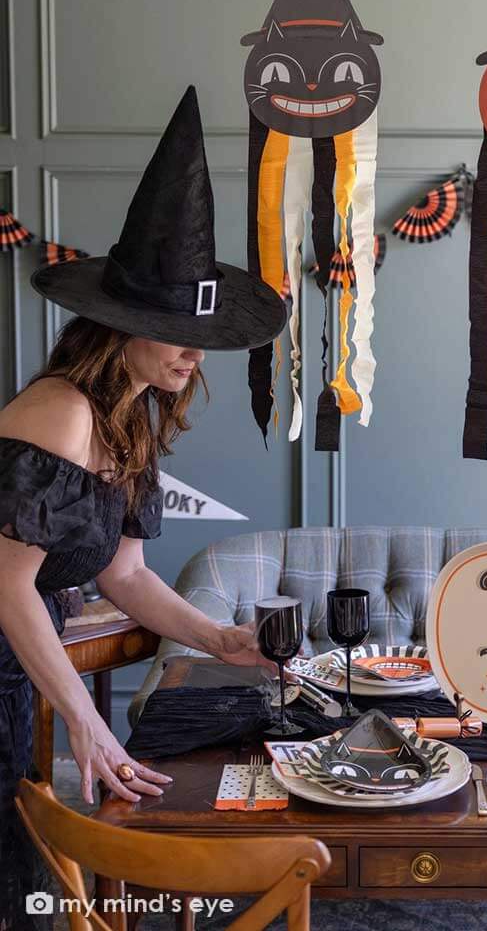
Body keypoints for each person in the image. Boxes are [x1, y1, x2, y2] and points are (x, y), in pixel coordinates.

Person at [0, 86, 287, 930]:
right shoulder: (60, 413)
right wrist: (87, 723)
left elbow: (125, 574)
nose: (193, 358)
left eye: (202, 339)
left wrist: (218, 639)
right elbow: (10, 587)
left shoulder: (126, 422)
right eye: (175, 335)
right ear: (119, 322)